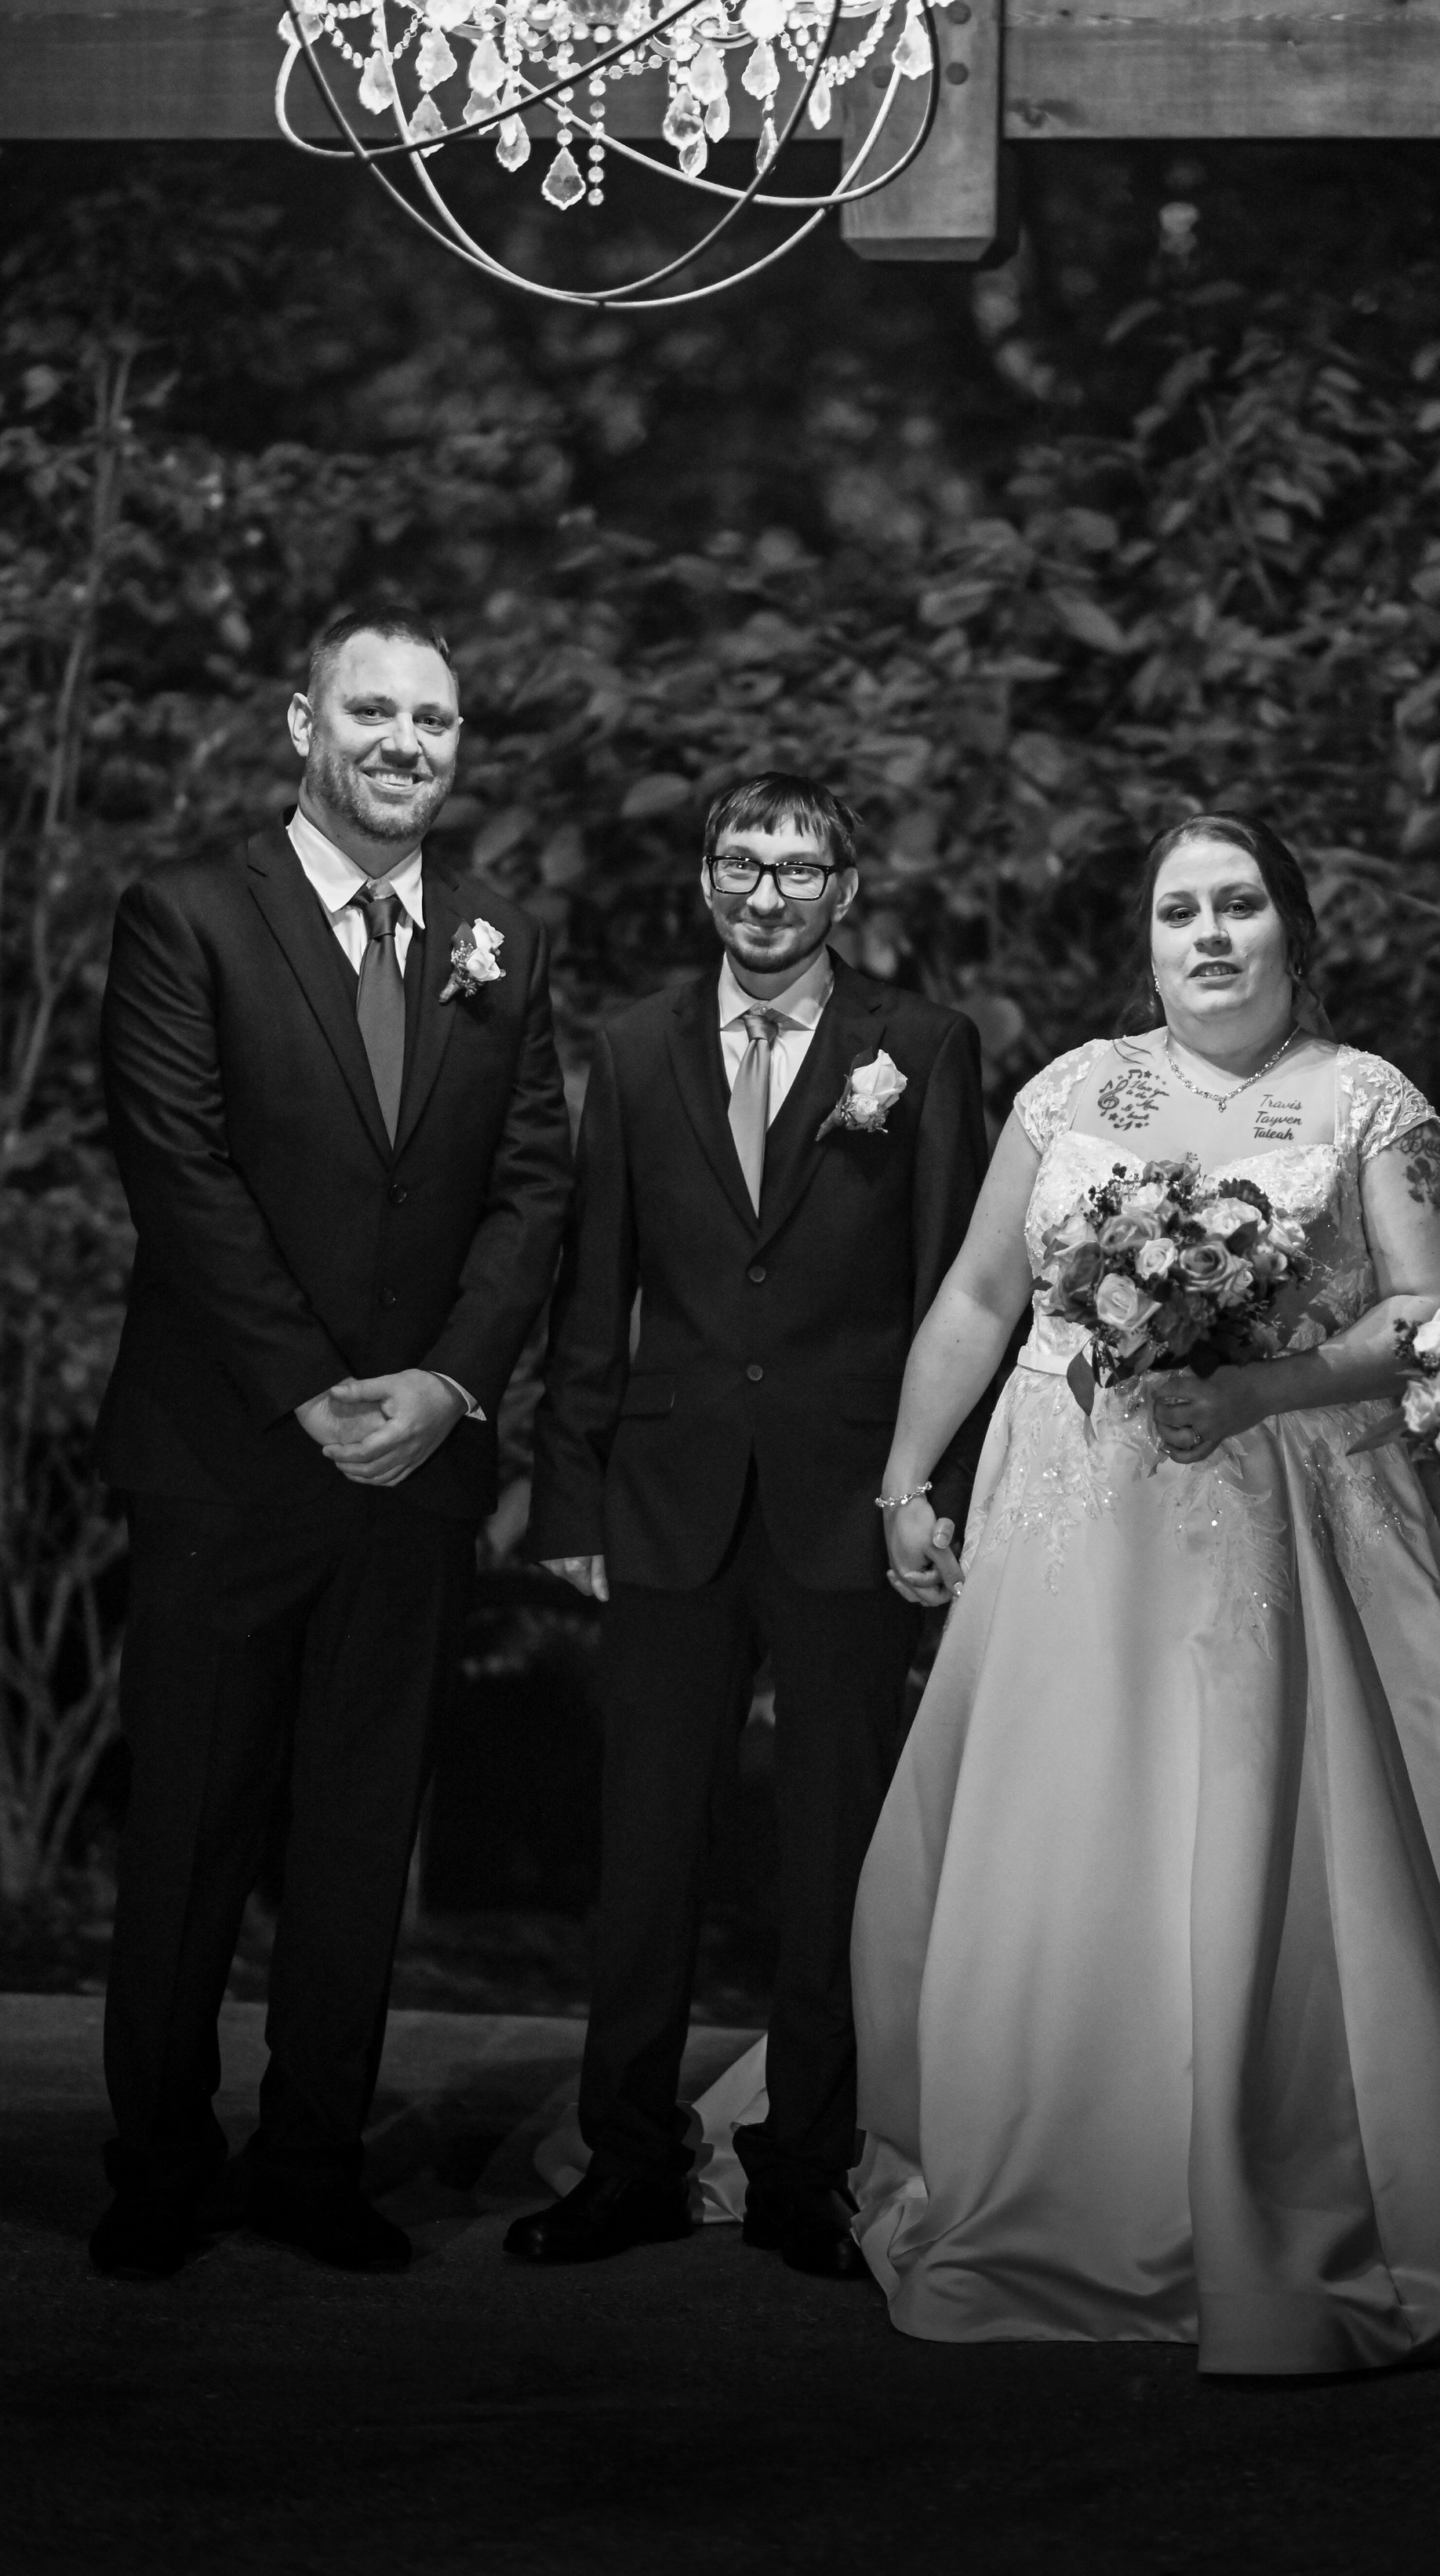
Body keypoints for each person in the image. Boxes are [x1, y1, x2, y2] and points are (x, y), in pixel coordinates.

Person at [845, 814, 1440, 2373]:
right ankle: (1064, 2160)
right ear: (1149, 941)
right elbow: (982, 1293)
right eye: (1182, 912)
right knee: (1072, 1834)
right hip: (1067, 1538)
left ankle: (1326, 2168)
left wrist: (1262, 1387)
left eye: (1239, 905)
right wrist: (908, 1474)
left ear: (1289, 929)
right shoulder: (1066, 1091)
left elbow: (1434, 1313)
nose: (1211, 935)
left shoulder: (1365, 1100)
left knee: (1281, 1837)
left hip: (1291, 1528)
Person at [91, 603, 573, 2281]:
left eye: (432, 724)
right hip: (232, 1453)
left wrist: (444, 1388)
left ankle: (311, 2161)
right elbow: (178, 1163)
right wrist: (317, 1389)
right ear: (300, 721)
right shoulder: (188, 916)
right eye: (369, 712)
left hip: (415, 1460)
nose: (402, 746)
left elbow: (531, 1189)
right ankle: (156, 2162)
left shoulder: (501, 938)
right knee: (196, 1832)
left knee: (361, 1830)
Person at [506, 774, 988, 2282]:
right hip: (668, 1490)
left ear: (846, 889)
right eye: (740, 862)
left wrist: (929, 1489)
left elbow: (946, 1290)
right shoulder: (638, 1043)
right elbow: (599, 1284)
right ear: (705, 879)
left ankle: (806, 2167)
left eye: (799, 868)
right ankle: (629, 2157)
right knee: (646, 1844)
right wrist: (568, 1488)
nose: (766, 891)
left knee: (832, 1847)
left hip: (847, 1497)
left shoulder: (920, 1047)